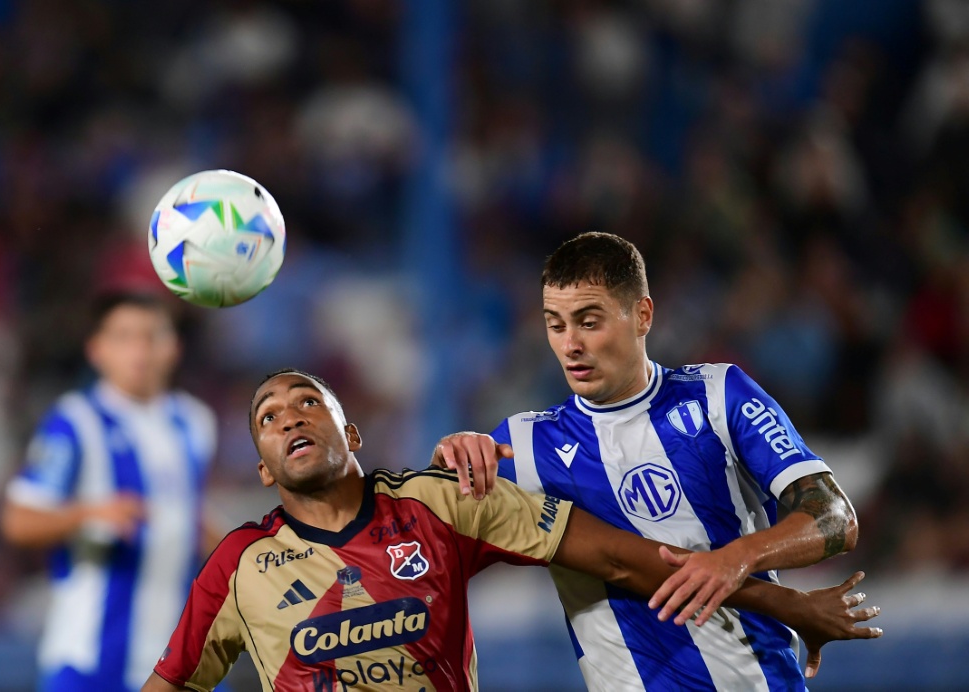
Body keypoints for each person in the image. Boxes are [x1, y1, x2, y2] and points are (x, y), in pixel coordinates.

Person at [142, 368, 880, 692]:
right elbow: (174, 682)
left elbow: (630, 561)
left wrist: (782, 604)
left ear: (352, 430)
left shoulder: (443, 506)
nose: (290, 417)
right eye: (268, 418)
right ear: (264, 468)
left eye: (308, 402)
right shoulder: (240, 562)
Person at [432, 231, 867, 690]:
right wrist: (450, 454)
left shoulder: (718, 394)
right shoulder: (525, 443)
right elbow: (420, 534)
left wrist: (735, 558)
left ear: (642, 315)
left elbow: (835, 517)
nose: (570, 345)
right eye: (555, 324)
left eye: (589, 321)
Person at [0, 291, 219, 692]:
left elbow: (187, 516)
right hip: (91, 657)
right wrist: (88, 514)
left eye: (152, 336)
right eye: (124, 337)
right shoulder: (74, 422)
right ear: (97, 350)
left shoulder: (196, 423)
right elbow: (18, 520)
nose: (140, 350)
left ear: (174, 348)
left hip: (180, 658)